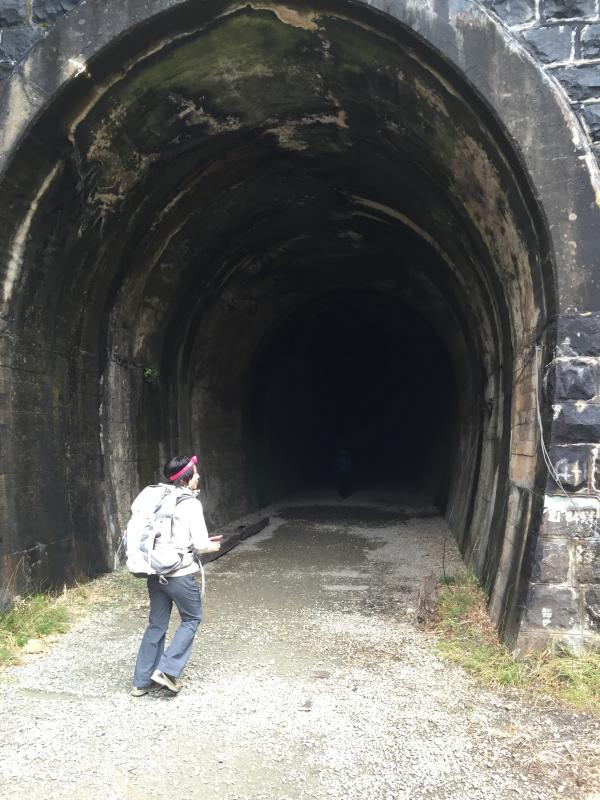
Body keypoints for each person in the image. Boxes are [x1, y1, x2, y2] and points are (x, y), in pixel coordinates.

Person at [130, 455, 220, 696]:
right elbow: (200, 544)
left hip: (155, 571)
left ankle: (141, 682)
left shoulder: (159, 497)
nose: (198, 476)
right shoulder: (190, 503)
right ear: (186, 478)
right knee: (192, 618)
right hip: (178, 574)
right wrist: (212, 546)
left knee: (157, 624)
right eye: (195, 473)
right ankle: (167, 670)